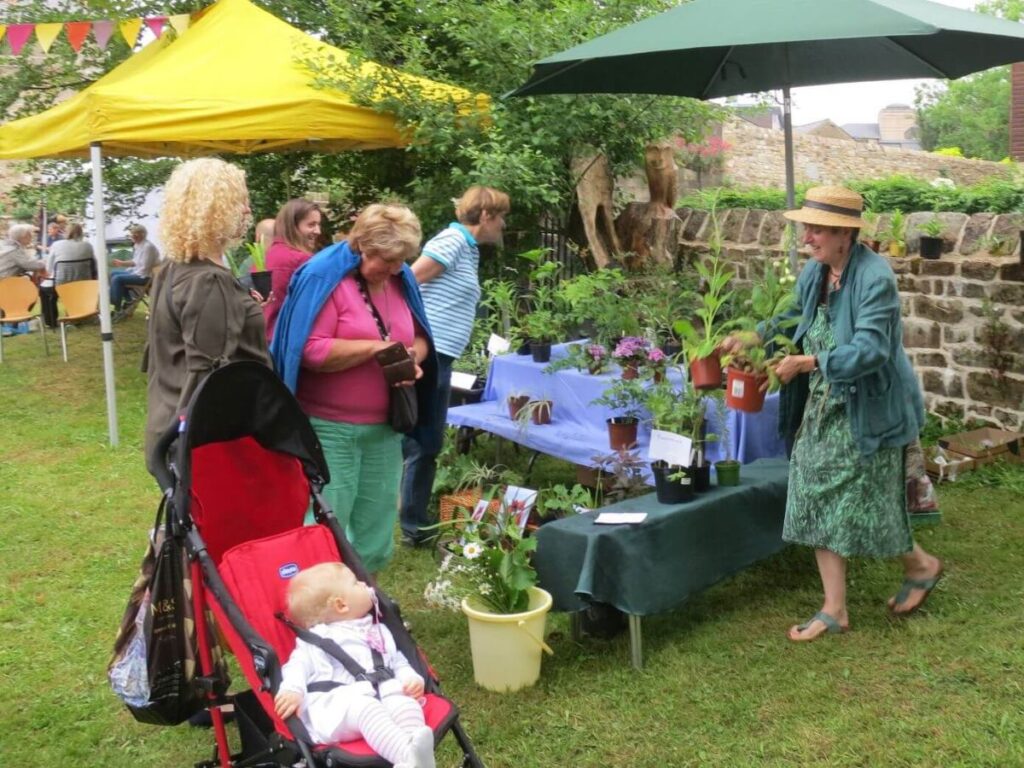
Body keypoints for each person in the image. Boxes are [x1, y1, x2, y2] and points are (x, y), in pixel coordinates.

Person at [720, 185, 943, 642]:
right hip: (825, 403)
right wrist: (753, 337)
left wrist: (811, 362)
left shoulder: (874, 277)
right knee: (810, 485)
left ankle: (920, 565)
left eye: (816, 229)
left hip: (870, 406)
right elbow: (792, 320)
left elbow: (873, 349)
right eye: (806, 227)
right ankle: (835, 608)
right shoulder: (816, 274)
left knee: (873, 504)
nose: (807, 237)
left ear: (845, 233)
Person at [271, 203, 437, 575]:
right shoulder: (323, 278)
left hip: (384, 429)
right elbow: (309, 350)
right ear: (363, 245)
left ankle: (364, 605)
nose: (397, 268)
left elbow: (422, 337)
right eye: (388, 259)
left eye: (402, 260)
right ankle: (319, 611)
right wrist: (375, 350)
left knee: (376, 531)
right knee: (325, 526)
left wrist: (411, 358)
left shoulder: (400, 277)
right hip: (330, 429)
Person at [143, 158, 271, 476]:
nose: (246, 210)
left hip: (171, 421)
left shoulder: (173, 270)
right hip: (212, 444)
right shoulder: (207, 281)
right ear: (216, 208)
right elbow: (210, 379)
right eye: (239, 201)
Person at [399, 186, 510, 547]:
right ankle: (415, 527)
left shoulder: (467, 248)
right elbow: (406, 281)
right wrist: (413, 335)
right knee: (423, 442)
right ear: (486, 216)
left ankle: (413, 516)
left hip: (441, 354)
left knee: (425, 440)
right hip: (431, 354)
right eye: (501, 216)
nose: (503, 224)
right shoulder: (452, 240)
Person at [275, 562, 435, 768]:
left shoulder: (378, 630)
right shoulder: (317, 639)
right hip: (337, 709)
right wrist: (293, 690)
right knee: (365, 707)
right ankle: (408, 757)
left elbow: (397, 661)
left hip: (382, 696)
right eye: (356, 583)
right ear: (341, 605)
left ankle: (413, 755)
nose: (364, 583)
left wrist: (410, 678)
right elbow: (297, 666)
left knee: (405, 704)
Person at [263, 198, 323, 342]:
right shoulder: (301, 261)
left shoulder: (267, 256)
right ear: (292, 226)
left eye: (318, 225)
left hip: (262, 340)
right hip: (286, 341)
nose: (318, 231)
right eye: (311, 225)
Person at [111, 224, 160, 312]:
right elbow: (135, 262)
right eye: (132, 234)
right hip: (138, 273)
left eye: (135, 234)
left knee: (117, 278)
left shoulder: (148, 247)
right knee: (113, 273)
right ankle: (129, 301)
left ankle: (117, 307)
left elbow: (144, 267)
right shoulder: (138, 245)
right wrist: (122, 263)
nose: (133, 236)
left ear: (143, 234)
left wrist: (130, 273)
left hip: (145, 277)